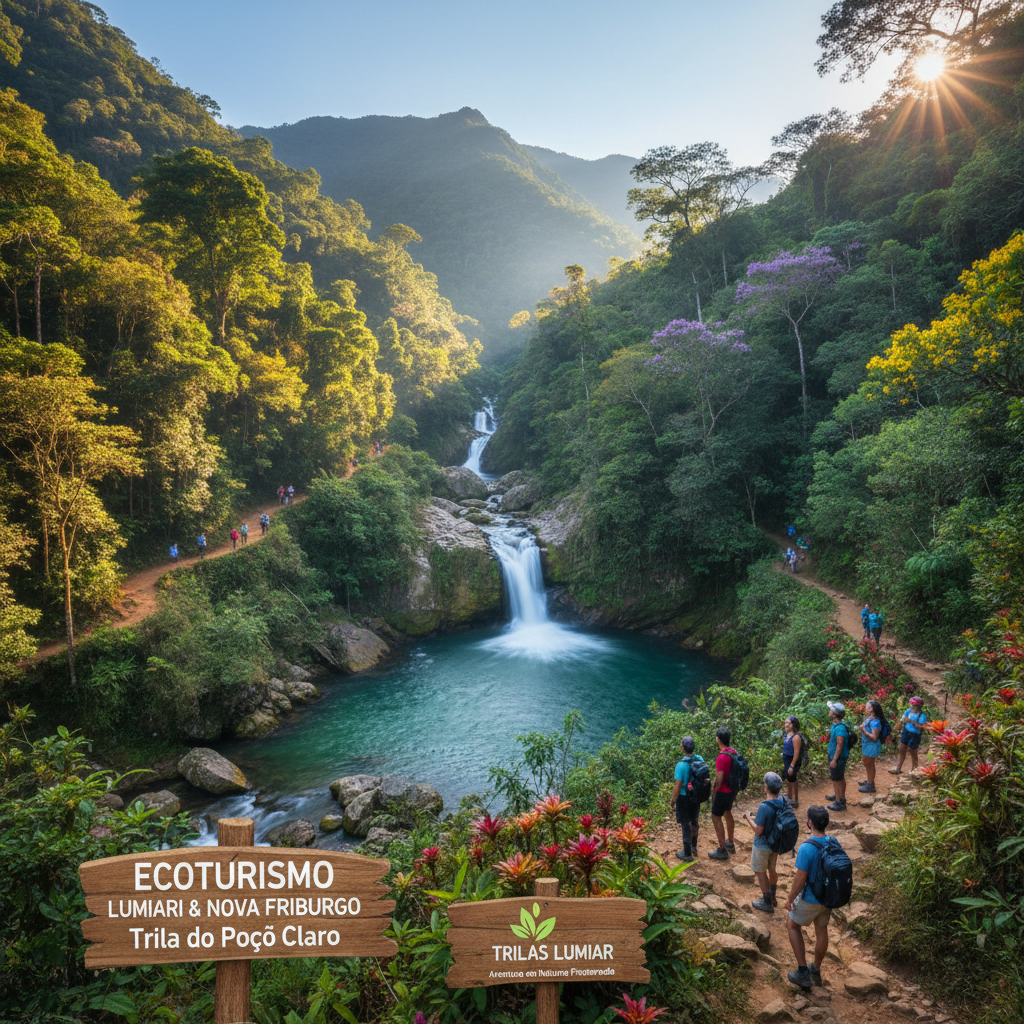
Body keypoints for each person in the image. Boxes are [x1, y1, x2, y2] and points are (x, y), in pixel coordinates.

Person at [785, 805, 836, 989]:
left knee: (792, 924)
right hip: (828, 897)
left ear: (809, 823)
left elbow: (800, 878)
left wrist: (790, 898)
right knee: (821, 929)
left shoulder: (806, 847)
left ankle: (802, 972)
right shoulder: (833, 841)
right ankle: (815, 968)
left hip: (812, 897)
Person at [743, 772, 787, 914]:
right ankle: (773, 896)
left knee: (760, 871)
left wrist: (748, 819)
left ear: (766, 787)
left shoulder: (764, 806)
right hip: (775, 844)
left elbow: (758, 830)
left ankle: (766, 901)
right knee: (772, 869)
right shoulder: (782, 801)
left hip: (762, 845)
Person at [670, 735, 705, 861]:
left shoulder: (681, 765)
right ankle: (693, 846)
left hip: (684, 798)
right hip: (696, 796)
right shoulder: (700, 759)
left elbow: (678, 785)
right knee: (694, 821)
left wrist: (673, 800)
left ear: (682, 747)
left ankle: (687, 853)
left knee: (685, 824)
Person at [708, 727, 739, 860]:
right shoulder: (734, 753)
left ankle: (722, 849)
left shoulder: (722, 757)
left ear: (718, 739)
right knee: (727, 812)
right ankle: (730, 842)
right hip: (733, 789)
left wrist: (714, 790)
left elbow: (719, 777)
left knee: (715, 816)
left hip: (724, 790)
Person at [890, 696, 928, 773]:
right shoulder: (908, 711)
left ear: (919, 706)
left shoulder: (922, 716)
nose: (912, 707)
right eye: (911, 705)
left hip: (915, 735)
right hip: (906, 731)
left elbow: (922, 726)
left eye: (914, 705)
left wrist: (911, 721)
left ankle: (914, 769)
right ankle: (898, 768)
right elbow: (903, 720)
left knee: (913, 751)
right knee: (902, 749)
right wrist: (900, 724)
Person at [858, 699, 889, 793]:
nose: (865, 708)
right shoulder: (870, 717)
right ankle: (869, 781)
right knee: (867, 763)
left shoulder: (875, 722)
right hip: (867, 745)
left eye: (867, 706)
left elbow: (874, 737)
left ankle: (871, 785)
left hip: (872, 746)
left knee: (869, 764)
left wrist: (863, 730)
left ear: (872, 709)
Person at [825, 702, 850, 811]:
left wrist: (834, 759)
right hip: (838, 757)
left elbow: (840, 744)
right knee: (839, 777)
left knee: (836, 779)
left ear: (835, 714)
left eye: (831, 710)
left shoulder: (840, 728)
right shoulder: (837, 726)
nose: (829, 711)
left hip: (838, 758)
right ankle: (839, 796)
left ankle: (839, 802)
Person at [782, 716, 803, 807]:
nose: (786, 725)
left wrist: (792, 765)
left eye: (789, 723)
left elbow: (796, 753)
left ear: (793, 725)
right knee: (788, 778)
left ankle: (795, 799)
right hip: (786, 759)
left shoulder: (796, 737)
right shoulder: (786, 735)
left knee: (793, 778)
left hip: (793, 760)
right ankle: (789, 796)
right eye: (786, 723)